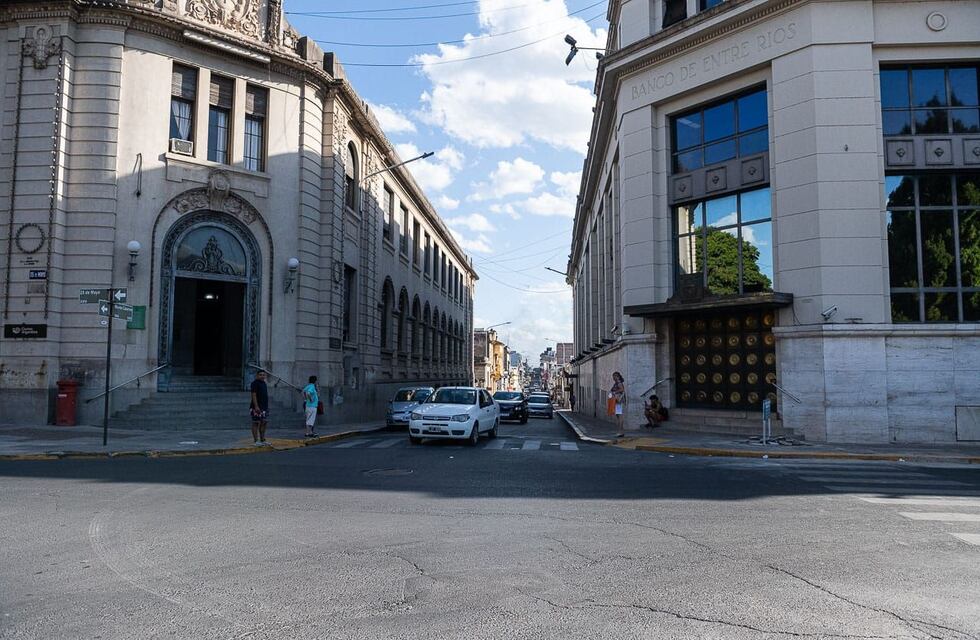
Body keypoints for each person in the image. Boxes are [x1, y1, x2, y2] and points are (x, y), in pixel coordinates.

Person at [250, 370, 270, 446]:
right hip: (256, 407)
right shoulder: (255, 383)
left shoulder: (264, 383)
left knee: (264, 422)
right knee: (256, 423)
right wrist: (256, 406)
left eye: (263, 375)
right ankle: (256, 441)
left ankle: (262, 440)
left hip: (264, 407)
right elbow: (253, 395)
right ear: (257, 376)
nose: (262, 376)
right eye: (260, 375)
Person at [610, 371, 626, 437]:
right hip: (617, 401)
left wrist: (614, 392)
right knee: (618, 416)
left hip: (619, 401)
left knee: (620, 416)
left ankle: (620, 431)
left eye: (614, 376)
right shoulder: (617, 383)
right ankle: (620, 431)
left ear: (617, 376)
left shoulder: (619, 383)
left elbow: (622, 390)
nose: (613, 378)